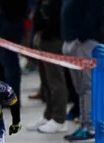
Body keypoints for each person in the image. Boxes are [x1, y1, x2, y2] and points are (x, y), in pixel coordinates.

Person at [61, 0, 103, 142]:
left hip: (83, 43)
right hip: (72, 40)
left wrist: (81, 36)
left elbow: (95, 12)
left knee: (87, 86)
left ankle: (90, 126)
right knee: (80, 88)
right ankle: (84, 123)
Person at [27, 0, 68, 134]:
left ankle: (59, 119)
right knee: (46, 80)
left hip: (54, 38)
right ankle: (48, 115)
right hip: (44, 37)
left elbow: (55, 15)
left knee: (55, 80)